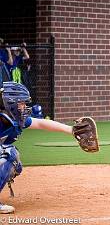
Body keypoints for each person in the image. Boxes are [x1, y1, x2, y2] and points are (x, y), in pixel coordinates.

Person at [0, 81, 98, 213]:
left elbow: (41, 124)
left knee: (15, 164)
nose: (24, 107)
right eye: (21, 103)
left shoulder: (14, 120)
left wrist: (71, 130)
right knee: (8, 154)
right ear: (10, 104)